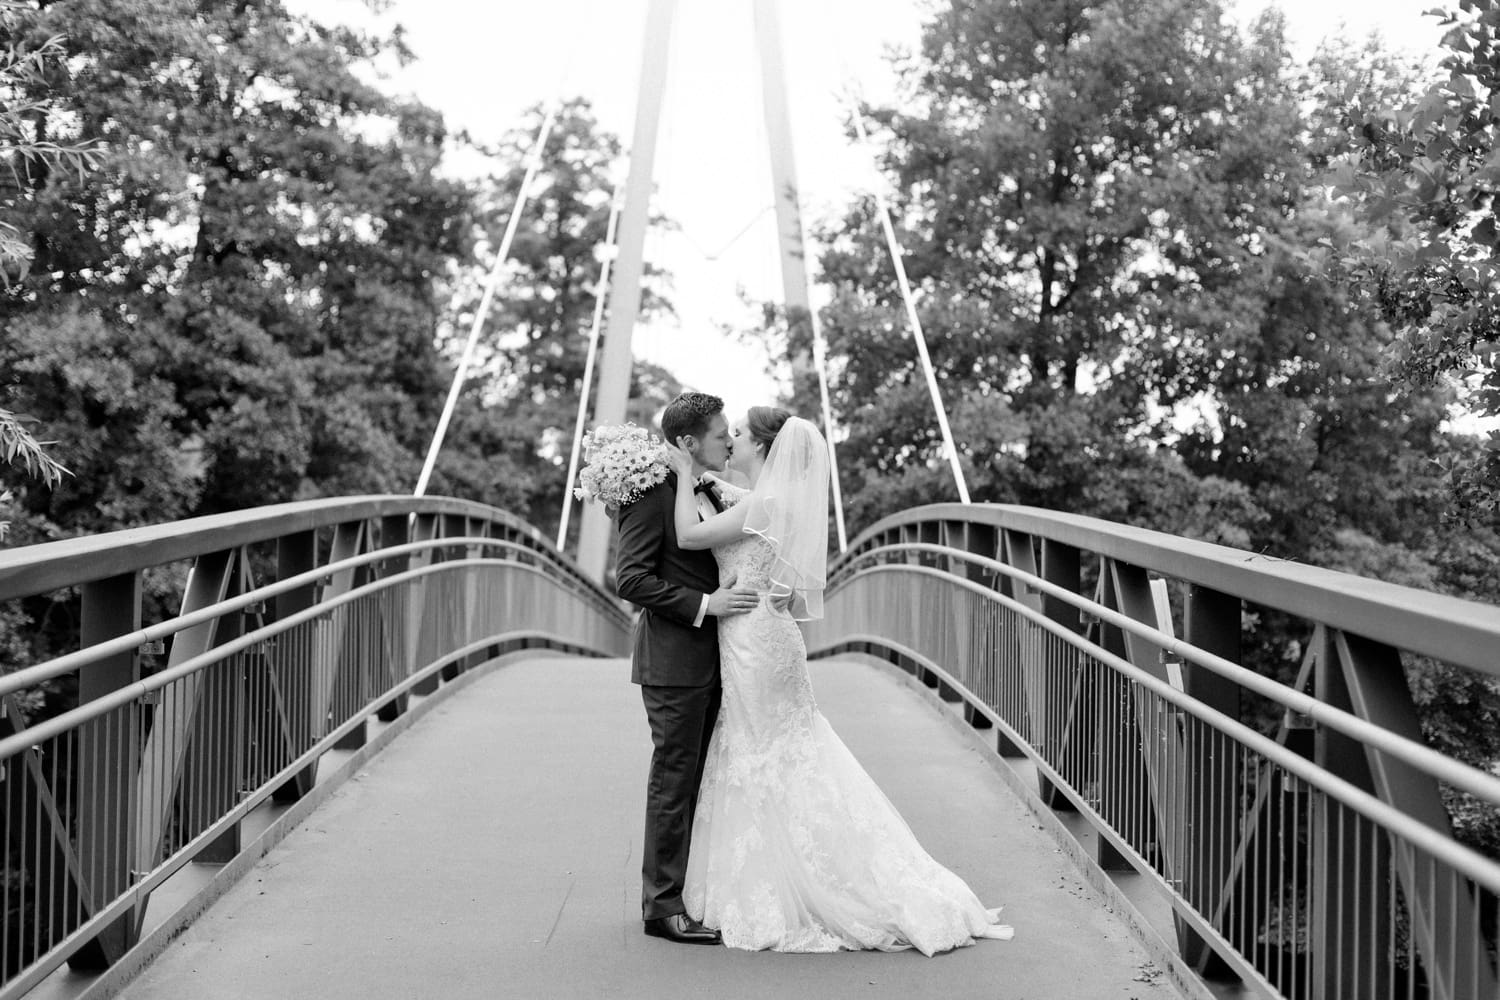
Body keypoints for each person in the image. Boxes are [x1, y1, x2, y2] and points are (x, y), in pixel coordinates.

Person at [665, 406, 1014, 955]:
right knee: (785, 749)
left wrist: (683, 474)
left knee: (762, 750)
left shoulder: (762, 503)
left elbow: (688, 536)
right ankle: (802, 868)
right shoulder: (769, 501)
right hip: (765, 636)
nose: (731, 441)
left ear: (765, 447)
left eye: (739, 435)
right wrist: (699, 475)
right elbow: (732, 504)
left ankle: (792, 886)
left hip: (754, 641)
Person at [614, 391, 760, 945]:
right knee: (673, 781)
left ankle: (690, 894)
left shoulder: (711, 493)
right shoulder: (650, 494)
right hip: (674, 663)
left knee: (699, 780)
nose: (729, 440)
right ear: (688, 442)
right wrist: (706, 606)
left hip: (716, 662)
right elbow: (630, 579)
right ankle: (661, 907)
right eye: (722, 433)